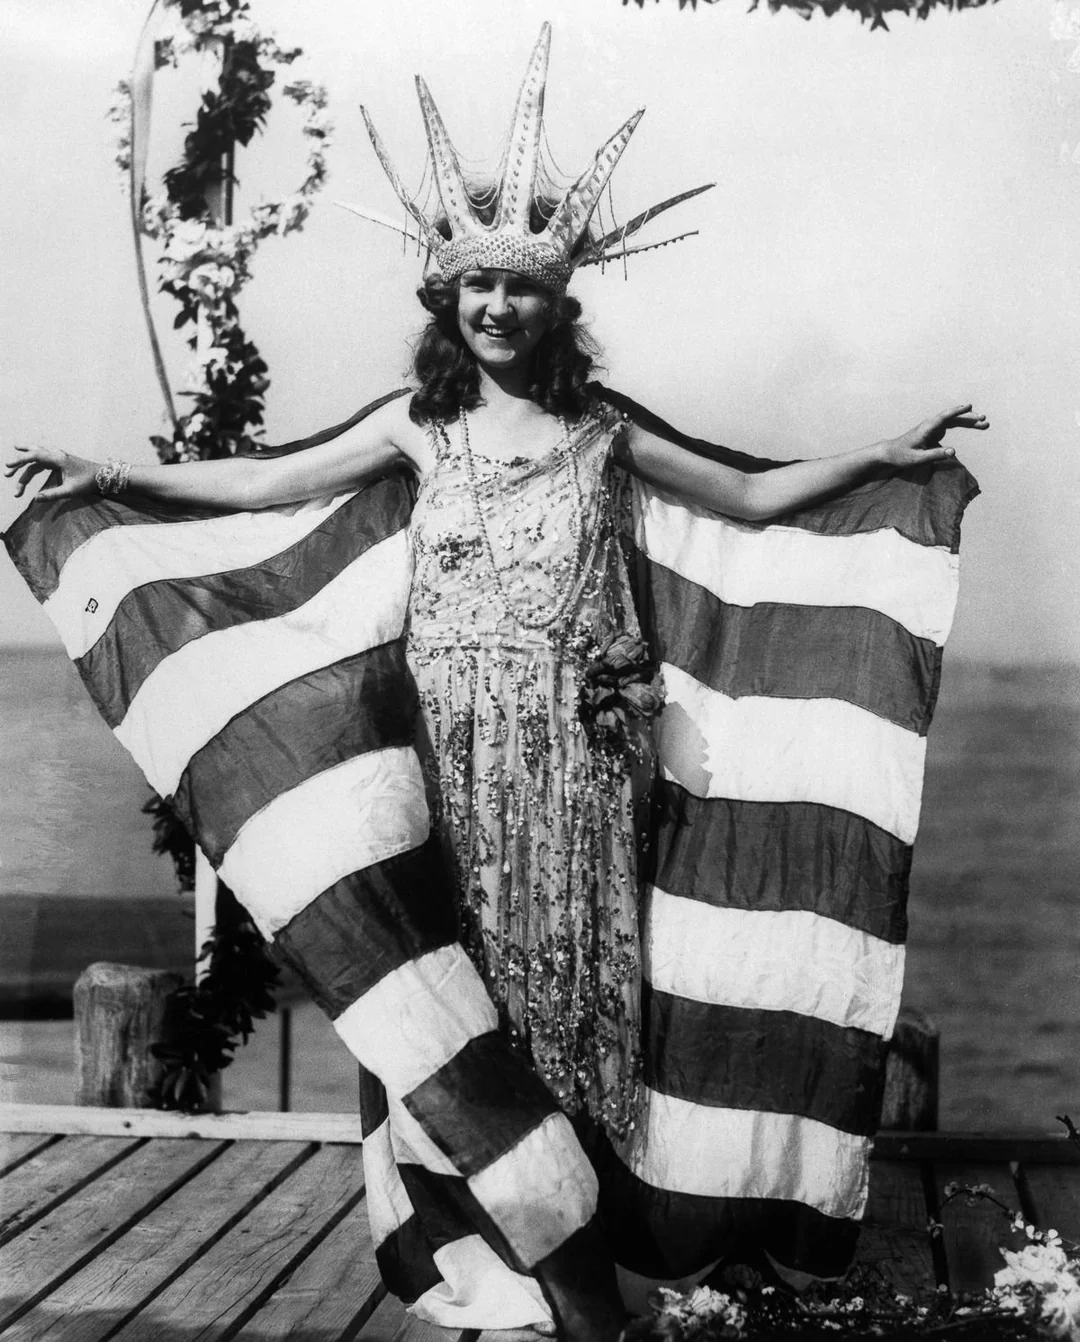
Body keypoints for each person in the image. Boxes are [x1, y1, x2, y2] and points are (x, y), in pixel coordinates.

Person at [4, 24, 985, 1340]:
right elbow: (260, 484)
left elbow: (751, 493)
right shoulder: (420, 424)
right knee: (448, 999)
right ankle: (475, 1252)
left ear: (556, 303)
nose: (498, 308)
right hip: (447, 767)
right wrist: (110, 476)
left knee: (570, 1003)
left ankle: (574, 1255)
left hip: (574, 774)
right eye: (477, 289)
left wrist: (887, 454)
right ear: (448, 302)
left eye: (521, 289)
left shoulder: (602, 431)